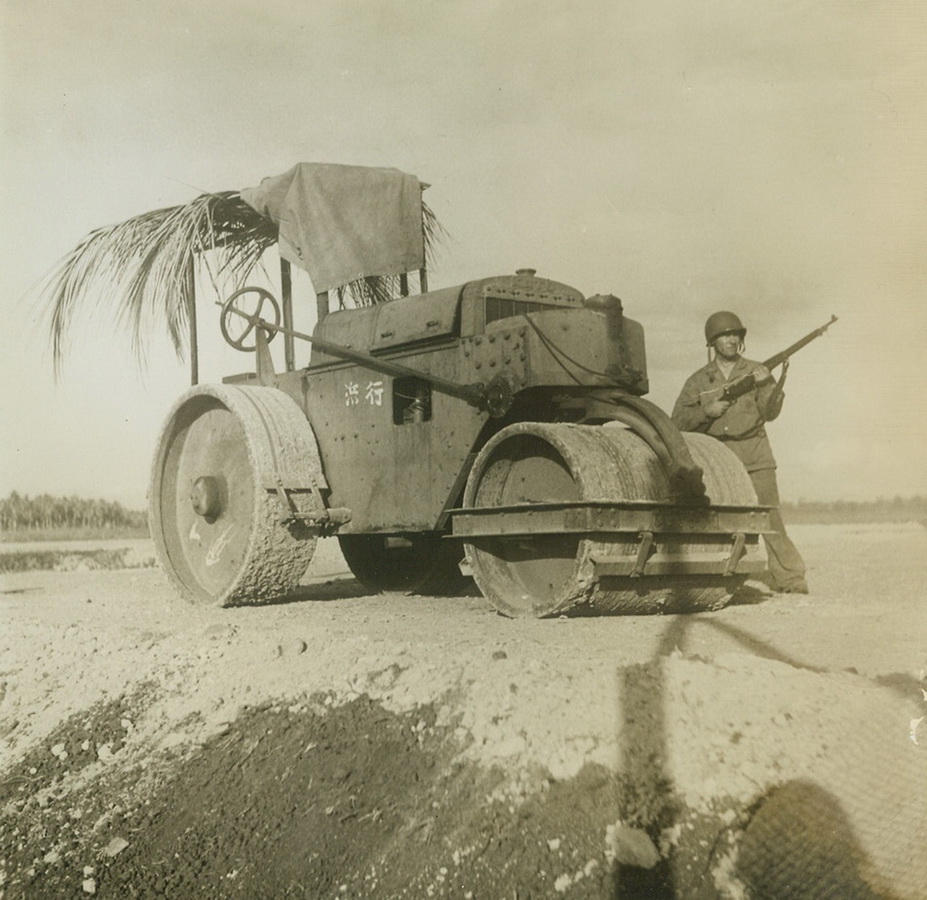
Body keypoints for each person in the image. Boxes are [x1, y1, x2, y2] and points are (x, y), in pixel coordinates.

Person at [671, 311, 808, 593]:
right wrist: (706, 411)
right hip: (717, 460)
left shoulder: (757, 371)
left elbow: (770, 414)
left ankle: (790, 578)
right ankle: (716, 578)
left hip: (755, 453)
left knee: (769, 516)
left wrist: (766, 384)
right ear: (713, 342)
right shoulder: (698, 381)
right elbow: (677, 422)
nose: (732, 340)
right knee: (715, 519)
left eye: (736, 335)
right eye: (725, 335)